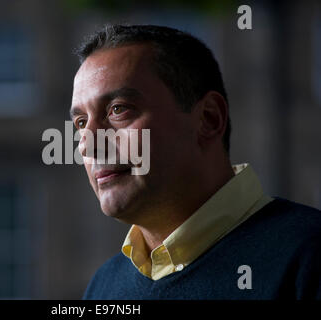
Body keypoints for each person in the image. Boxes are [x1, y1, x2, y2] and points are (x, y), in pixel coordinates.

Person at [69, 24, 321, 299]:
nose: (88, 143)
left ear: (209, 119)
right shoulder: (103, 288)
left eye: (118, 110)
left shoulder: (309, 257)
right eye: (81, 123)